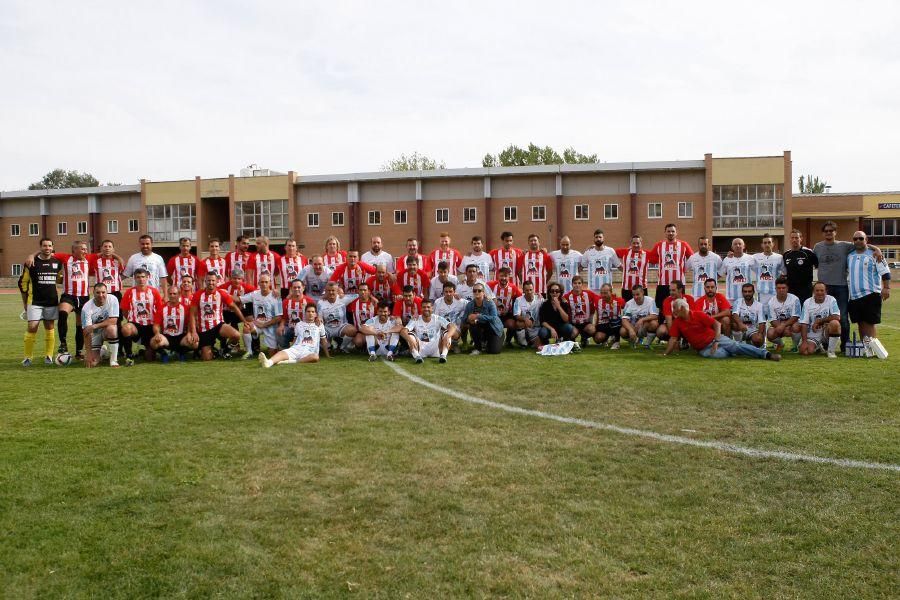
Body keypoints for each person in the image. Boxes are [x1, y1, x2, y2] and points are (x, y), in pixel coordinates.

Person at [812, 220, 882, 352]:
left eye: (831, 231)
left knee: (843, 317)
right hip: (824, 289)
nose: (828, 233)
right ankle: (825, 343)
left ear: (835, 232)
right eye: (826, 231)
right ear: (823, 233)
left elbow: (861, 244)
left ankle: (845, 344)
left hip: (841, 287)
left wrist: (877, 249)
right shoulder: (818, 247)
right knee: (823, 317)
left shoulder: (844, 246)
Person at [662, 298, 781, 361]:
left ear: (682, 308)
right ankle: (733, 350)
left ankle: (766, 354)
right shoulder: (677, 322)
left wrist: (716, 341)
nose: (673, 311)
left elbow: (717, 325)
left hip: (715, 339)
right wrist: (665, 353)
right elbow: (673, 338)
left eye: (674, 308)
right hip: (702, 349)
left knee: (736, 346)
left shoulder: (698, 314)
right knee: (719, 355)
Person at [19, 238, 63, 366]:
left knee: (49, 327)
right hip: (35, 301)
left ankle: (48, 355)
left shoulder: (57, 262)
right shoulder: (31, 263)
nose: (47, 248)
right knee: (32, 327)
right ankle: (28, 357)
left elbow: (59, 279)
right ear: (40, 247)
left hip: (52, 301)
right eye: (44, 246)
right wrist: (25, 303)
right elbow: (23, 283)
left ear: (52, 247)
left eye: (49, 245)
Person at [846, 231, 891, 349]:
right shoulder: (850, 256)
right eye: (855, 239)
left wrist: (886, 288)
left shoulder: (875, 254)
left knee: (869, 323)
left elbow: (885, 272)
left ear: (866, 240)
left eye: (861, 238)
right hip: (854, 296)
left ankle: (873, 348)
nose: (858, 241)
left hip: (871, 294)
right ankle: (865, 348)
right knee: (860, 322)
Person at [190, 272, 247, 361]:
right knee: (207, 358)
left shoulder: (221, 293)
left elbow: (234, 307)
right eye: (209, 280)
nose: (211, 282)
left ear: (217, 282)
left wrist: (244, 321)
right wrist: (194, 331)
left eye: (213, 280)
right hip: (204, 329)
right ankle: (211, 350)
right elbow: (192, 314)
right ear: (205, 281)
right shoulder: (198, 295)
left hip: (218, 325)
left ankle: (225, 350)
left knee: (236, 335)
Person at [51, 240, 92, 358]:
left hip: (84, 296)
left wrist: (117, 257)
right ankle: (63, 343)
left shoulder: (89, 259)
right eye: (83, 249)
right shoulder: (66, 258)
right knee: (63, 313)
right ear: (74, 250)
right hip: (69, 295)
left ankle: (79, 351)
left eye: (86, 249)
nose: (85, 251)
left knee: (81, 324)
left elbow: (104, 253)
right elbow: (48, 253)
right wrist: (31, 255)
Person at [260, 303, 329, 367]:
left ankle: (292, 361)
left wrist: (328, 355)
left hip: (310, 351)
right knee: (282, 352)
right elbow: (295, 339)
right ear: (305, 313)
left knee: (315, 357)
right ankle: (268, 362)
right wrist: (290, 349)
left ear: (316, 314)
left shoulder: (319, 325)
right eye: (308, 311)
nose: (310, 313)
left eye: (313, 312)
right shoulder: (299, 324)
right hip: (297, 348)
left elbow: (324, 341)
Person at [120, 268, 166, 364]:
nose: (141, 279)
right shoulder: (129, 292)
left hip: (150, 326)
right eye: (138, 277)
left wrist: (157, 327)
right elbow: (124, 310)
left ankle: (143, 351)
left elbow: (160, 311)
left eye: (143, 277)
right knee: (126, 328)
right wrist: (132, 319)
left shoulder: (154, 292)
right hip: (136, 325)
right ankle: (129, 356)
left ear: (147, 277)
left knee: (150, 358)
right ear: (134, 279)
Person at [649, 223, 694, 311]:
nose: (671, 233)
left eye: (673, 231)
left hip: (679, 283)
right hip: (663, 283)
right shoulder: (659, 245)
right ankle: (662, 323)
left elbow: (693, 258)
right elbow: (650, 258)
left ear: (676, 233)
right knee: (661, 307)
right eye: (668, 231)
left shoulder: (683, 245)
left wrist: (685, 268)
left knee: (680, 307)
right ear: (665, 233)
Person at [238, 273, 283, 359]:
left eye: (266, 282)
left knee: (272, 354)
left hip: (270, 326)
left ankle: (278, 347)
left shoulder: (276, 297)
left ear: (270, 283)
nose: (264, 284)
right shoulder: (255, 294)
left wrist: (264, 325)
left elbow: (279, 317)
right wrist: (222, 293)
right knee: (246, 326)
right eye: (262, 282)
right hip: (257, 325)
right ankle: (249, 352)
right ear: (258, 283)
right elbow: (239, 299)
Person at [152, 285, 198, 362]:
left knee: (195, 343)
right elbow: (156, 325)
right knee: (153, 342)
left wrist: (189, 333)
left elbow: (190, 322)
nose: (172, 296)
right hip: (166, 337)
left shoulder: (185, 308)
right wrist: (157, 333)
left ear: (179, 294)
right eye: (170, 294)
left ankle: (182, 352)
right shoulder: (162, 308)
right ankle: (164, 353)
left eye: (174, 293)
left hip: (180, 337)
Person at [403, 298, 455, 363]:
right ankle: (417, 357)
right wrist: (409, 340)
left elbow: (452, 327)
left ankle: (443, 356)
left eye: (428, 307)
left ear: (432, 308)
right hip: (420, 349)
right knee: (410, 335)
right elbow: (404, 331)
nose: (426, 309)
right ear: (421, 308)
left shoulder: (437, 318)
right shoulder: (415, 319)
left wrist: (447, 336)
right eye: (424, 307)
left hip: (437, 349)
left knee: (447, 333)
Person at [81, 283, 121, 368]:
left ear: (107, 292)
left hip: (106, 331)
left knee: (112, 329)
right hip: (95, 335)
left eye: (103, 292)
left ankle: (113, 360)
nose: (101, 295)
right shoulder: (86, 308)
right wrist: (88, 354)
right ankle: (103, 351)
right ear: (93, 293)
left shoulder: (113, 299)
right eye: (98, 292)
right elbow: (86, 332)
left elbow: (113, 321)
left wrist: (94, 326)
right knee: (93, 363)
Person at [798, 281, 842, 358]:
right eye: (817, 290)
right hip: (814, 334)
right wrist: (804, 342)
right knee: (804, 351)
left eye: (822, 290)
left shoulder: (831, 299)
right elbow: (804, 323)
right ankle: (818, 347)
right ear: (813, 292)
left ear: (826, 291)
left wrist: (819, 321)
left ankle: (831, 351)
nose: (819, 293)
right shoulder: (807, 302)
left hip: (827, 331)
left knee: (835, 323)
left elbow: (837, 316)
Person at [219, 268, 257, 353]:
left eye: (239, 279)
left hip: (242, 310)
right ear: (230, 278)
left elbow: (258, 292)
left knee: (250, 321)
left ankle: (255, 346)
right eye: (234, 278)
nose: (236, 281)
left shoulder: (247, 287)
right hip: (228, 311)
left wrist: (273, 292)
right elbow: (216, 291)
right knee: (223, 324)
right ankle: (226, 346)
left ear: (242, 279)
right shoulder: (224, 287)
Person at [462, 283, 503, 355]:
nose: (477, 292)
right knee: (473, 325)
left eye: (479, 290)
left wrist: (478, 316)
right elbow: (464, 319)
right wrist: (469, 319)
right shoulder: (470, 304)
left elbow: (494, 317)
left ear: (483, 292)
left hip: (494, 329)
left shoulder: (490, 303)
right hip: (480, 328)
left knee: (494, 351)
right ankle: (478, 348)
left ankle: (486, 342)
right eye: (474, 291)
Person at [316, 281, 358, 351]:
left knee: (352, 330)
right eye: (329, 290)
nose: (331, 292)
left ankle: (343, 347)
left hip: (341, 326)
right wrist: (319, 321)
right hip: (327, 328)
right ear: (325, 291)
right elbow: (320, 317)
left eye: (333, 290)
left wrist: (371, 297)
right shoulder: (321, 302)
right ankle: (327, 345)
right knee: (316, 330)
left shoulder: (343, 299)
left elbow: (358, 295)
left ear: (337, 291)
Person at [765, 276, 802, 353]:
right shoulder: (771, 302)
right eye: (779, 288)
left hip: (791, 325)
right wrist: (780, 327)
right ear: (775, 289)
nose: (781, 290)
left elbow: (795, 316)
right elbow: (772, 320)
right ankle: (781, 344)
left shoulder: (795, 299)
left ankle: (795, 346)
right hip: (778, 325)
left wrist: (784, 325)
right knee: (770, 333)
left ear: (787, 288)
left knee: (796, 326)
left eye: (783, 288)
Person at [277, 279, 317, 348]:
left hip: (305, 329)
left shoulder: (310, 301)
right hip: (290, 328)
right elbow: (283, 317)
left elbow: (315, 316)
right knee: (280, 332)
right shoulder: (285, 302)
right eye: (294, 287)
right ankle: (285, 350)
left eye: (299, 287)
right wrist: (281, 326)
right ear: (291, 289)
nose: (297, 289)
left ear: (303, 288)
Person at [580, 229, 621, 294]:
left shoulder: (610, 251)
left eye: (600, 237)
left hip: (607, 288)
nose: (598, 239)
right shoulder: (588, 252)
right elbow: (581, 267)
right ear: (594, 239)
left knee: (607, 304)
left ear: (603, 238)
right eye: (596, 237)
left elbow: (619, 266)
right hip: (593, 288)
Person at [488, 266, 522, 344]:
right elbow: (480, 285)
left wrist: (536, 296)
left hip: (507, 314)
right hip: (494, 314)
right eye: (501, 276)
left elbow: (522, 297)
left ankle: (508, 341)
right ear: (498, 276)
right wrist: (465, 280)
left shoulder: (513, 287)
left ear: (509, 277)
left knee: (512, 324)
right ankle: (487, 340)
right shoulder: (491, 285)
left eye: (505, 276)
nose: (503, 278)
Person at [782, 229, 818, 304]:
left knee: (805, 311)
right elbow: (784, 271)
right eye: (792, 238)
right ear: (790, 239)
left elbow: (818, 266)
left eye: (796, 238)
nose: (794, 240)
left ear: (801, 239)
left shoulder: (808, 252)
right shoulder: (786, 254)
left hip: (805, 289)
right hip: (791, 289)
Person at [718, 238, 757, 306]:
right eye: (735, 244)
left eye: (740, 244)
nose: (738, 245)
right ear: (732, 247)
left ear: (744, 246)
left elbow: (759, 271)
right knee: (732, 316)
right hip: (731, 297)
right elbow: (720, 274)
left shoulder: (750, 258)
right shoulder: (727, 259)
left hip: (746, 296)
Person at [563, 275, 599, 345]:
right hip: (573, 323)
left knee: (592, 329)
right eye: (575, 283)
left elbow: (600, 299)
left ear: (582, 284)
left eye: (579, 283)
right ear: (572, 284)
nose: (577, 285)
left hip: (585, 323)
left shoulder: (589, 294)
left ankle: (584, 337)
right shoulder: (567, 296)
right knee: (574, 333)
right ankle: (570, 339)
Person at [621, 284, 659, 348]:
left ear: (643, 292)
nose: (635, 297)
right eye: (633, 295)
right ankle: (632, 341)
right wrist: (631, 330)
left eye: (637, 294)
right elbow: (624, 320)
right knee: (622, 331)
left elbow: (655, 316)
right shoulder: (629, 303)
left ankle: (647, 344)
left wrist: (642, 319)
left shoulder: (650, 301)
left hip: (644, 327)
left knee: (654, 323)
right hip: (634, 327)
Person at [752, 234, 785, 307]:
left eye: (769, 242)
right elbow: (742, 258)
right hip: (761, 292)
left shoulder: (779, 257)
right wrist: (732, 255)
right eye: (765, 243)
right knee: (763, 315)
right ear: (762, 245)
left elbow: (785, 272)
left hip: (775, 291)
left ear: (773, 244)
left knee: (775, 313)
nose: (767, 244)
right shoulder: (755, 257)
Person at [434, 281, 467, 351]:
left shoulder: (460, 301)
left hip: (455, 330)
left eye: (450, 291)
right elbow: (435, 319)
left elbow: (472, 304)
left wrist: (485, 296)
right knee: (438, 350)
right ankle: (448, 345)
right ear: (443, 292)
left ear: (454, 292)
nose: (448, 294)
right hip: (441, 329)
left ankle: (454, 344)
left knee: (453, 329)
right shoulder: (438, 302)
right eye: (446, 292)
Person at [615, 235, 649, 301]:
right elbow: (610, 252)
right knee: (628, 310)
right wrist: (619, 265)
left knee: (642, 309)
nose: (636, 245)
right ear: (631, 244)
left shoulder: (647, 254)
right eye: (634, 243)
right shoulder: (625, 252)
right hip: (627, 289)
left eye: (638, 243)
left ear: (641, 244)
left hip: (642, 288)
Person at [513, 280, 544, 349]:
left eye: (531, 290)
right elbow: (516, 315)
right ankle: (523, 343)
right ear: (523, 291)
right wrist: (525, 319)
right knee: (518, 323)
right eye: (527, 290)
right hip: (526, 326)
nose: (529, 292)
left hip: (537, 327)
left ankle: (533, 340)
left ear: (534, 289)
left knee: (540, 347)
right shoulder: (518, 300)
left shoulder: (540, 299)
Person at [347, 282, 378, 350]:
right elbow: (348, 316)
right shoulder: (352, 303)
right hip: (360, 331)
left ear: (368, 291)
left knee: (376, 343)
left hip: (372, 330)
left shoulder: (374, 303)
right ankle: (360, 346)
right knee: (358, 342)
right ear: (358, 291)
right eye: (360, 290)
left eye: (365, 290)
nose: (362, 292)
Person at [594, 283, 626, 349]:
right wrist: (595, 324)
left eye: (605, 293)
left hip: (615, 325)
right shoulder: (598, 301)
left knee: (616, 321)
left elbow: (627, 309)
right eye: (601, 293)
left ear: (611, 292)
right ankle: (605, 339)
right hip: (603, 325)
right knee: (598, 338)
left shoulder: (619, 301)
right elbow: (597, 313)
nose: (603, 295)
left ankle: (616, 341)